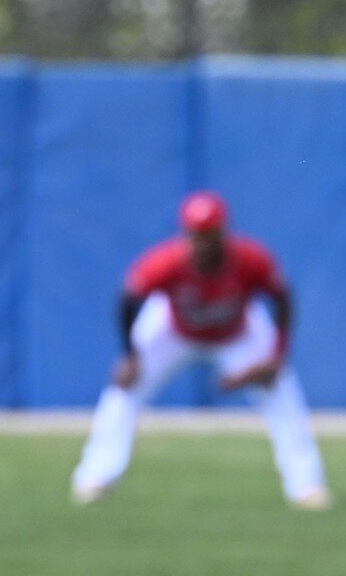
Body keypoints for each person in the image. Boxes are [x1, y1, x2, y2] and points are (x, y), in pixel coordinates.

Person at [70, 191, 330, 509]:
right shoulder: (167, 262)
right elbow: (127, 299)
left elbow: (283, 297)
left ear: (224, 231)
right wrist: (130, 355)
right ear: (187, 234)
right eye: (197, 235)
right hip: (172, 329)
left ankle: (306, 486)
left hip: (239, 332)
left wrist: (277, 356)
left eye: (211, 234)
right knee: (124, 386)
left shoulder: (250, 259)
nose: (204, 242)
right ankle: (95, 477)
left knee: (280, 387)